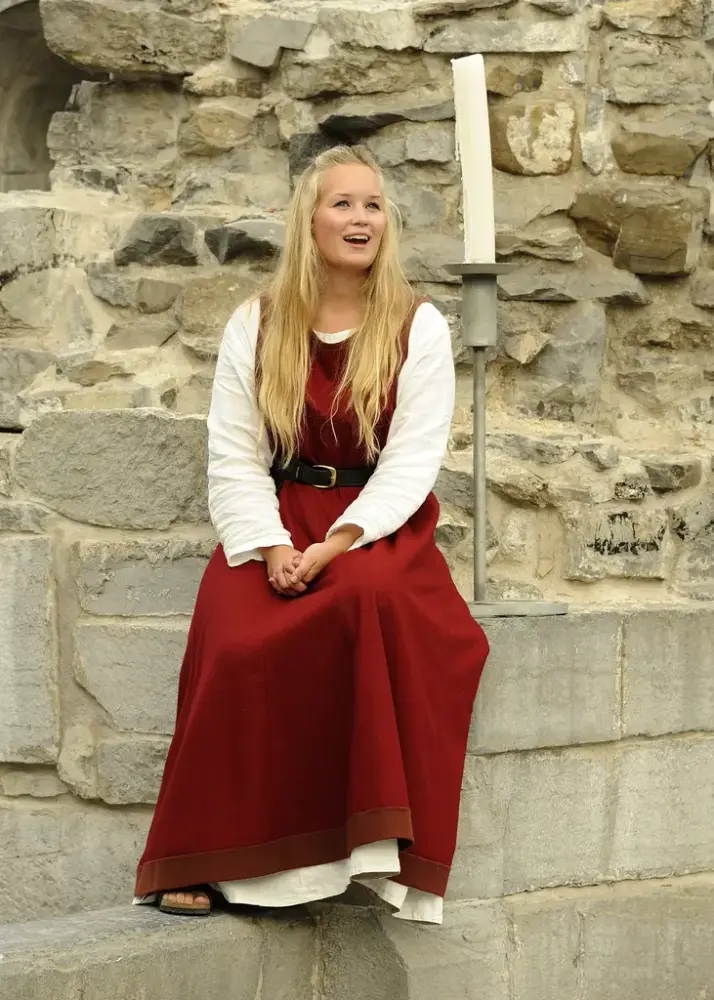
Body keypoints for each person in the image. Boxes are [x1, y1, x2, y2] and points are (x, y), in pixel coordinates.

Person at [133, 144, 489, 925]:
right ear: (310, 219)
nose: (360, 218)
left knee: (361, 603)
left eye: (372, 205)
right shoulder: (256, 323)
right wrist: (269, 547)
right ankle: (209, 857)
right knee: (232, 638)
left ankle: (350, 852)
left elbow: (413, 458)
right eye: (343, 203)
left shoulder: (416, 325)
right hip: (277, 518)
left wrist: (337, 544)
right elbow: (232, 452)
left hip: (372, 525)